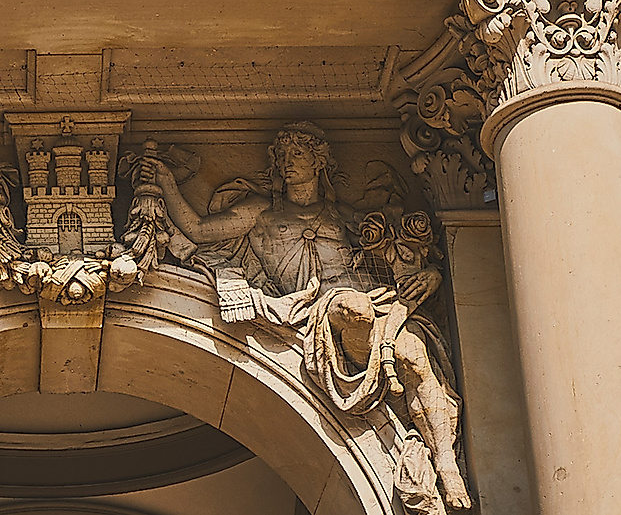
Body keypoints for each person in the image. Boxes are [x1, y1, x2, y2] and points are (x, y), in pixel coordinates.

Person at [151, 122, 470, 513]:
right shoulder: (260, 212)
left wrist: (432, 274)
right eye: (283, 155)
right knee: (353, 308)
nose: (288, 162)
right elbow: (199, 230)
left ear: (319, 161)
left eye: (298, 154)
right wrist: (165, 181)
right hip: (321, 307)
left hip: (374, 300)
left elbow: (398, 260)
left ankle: (446, 462)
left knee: (414, 356)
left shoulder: (345, 216)